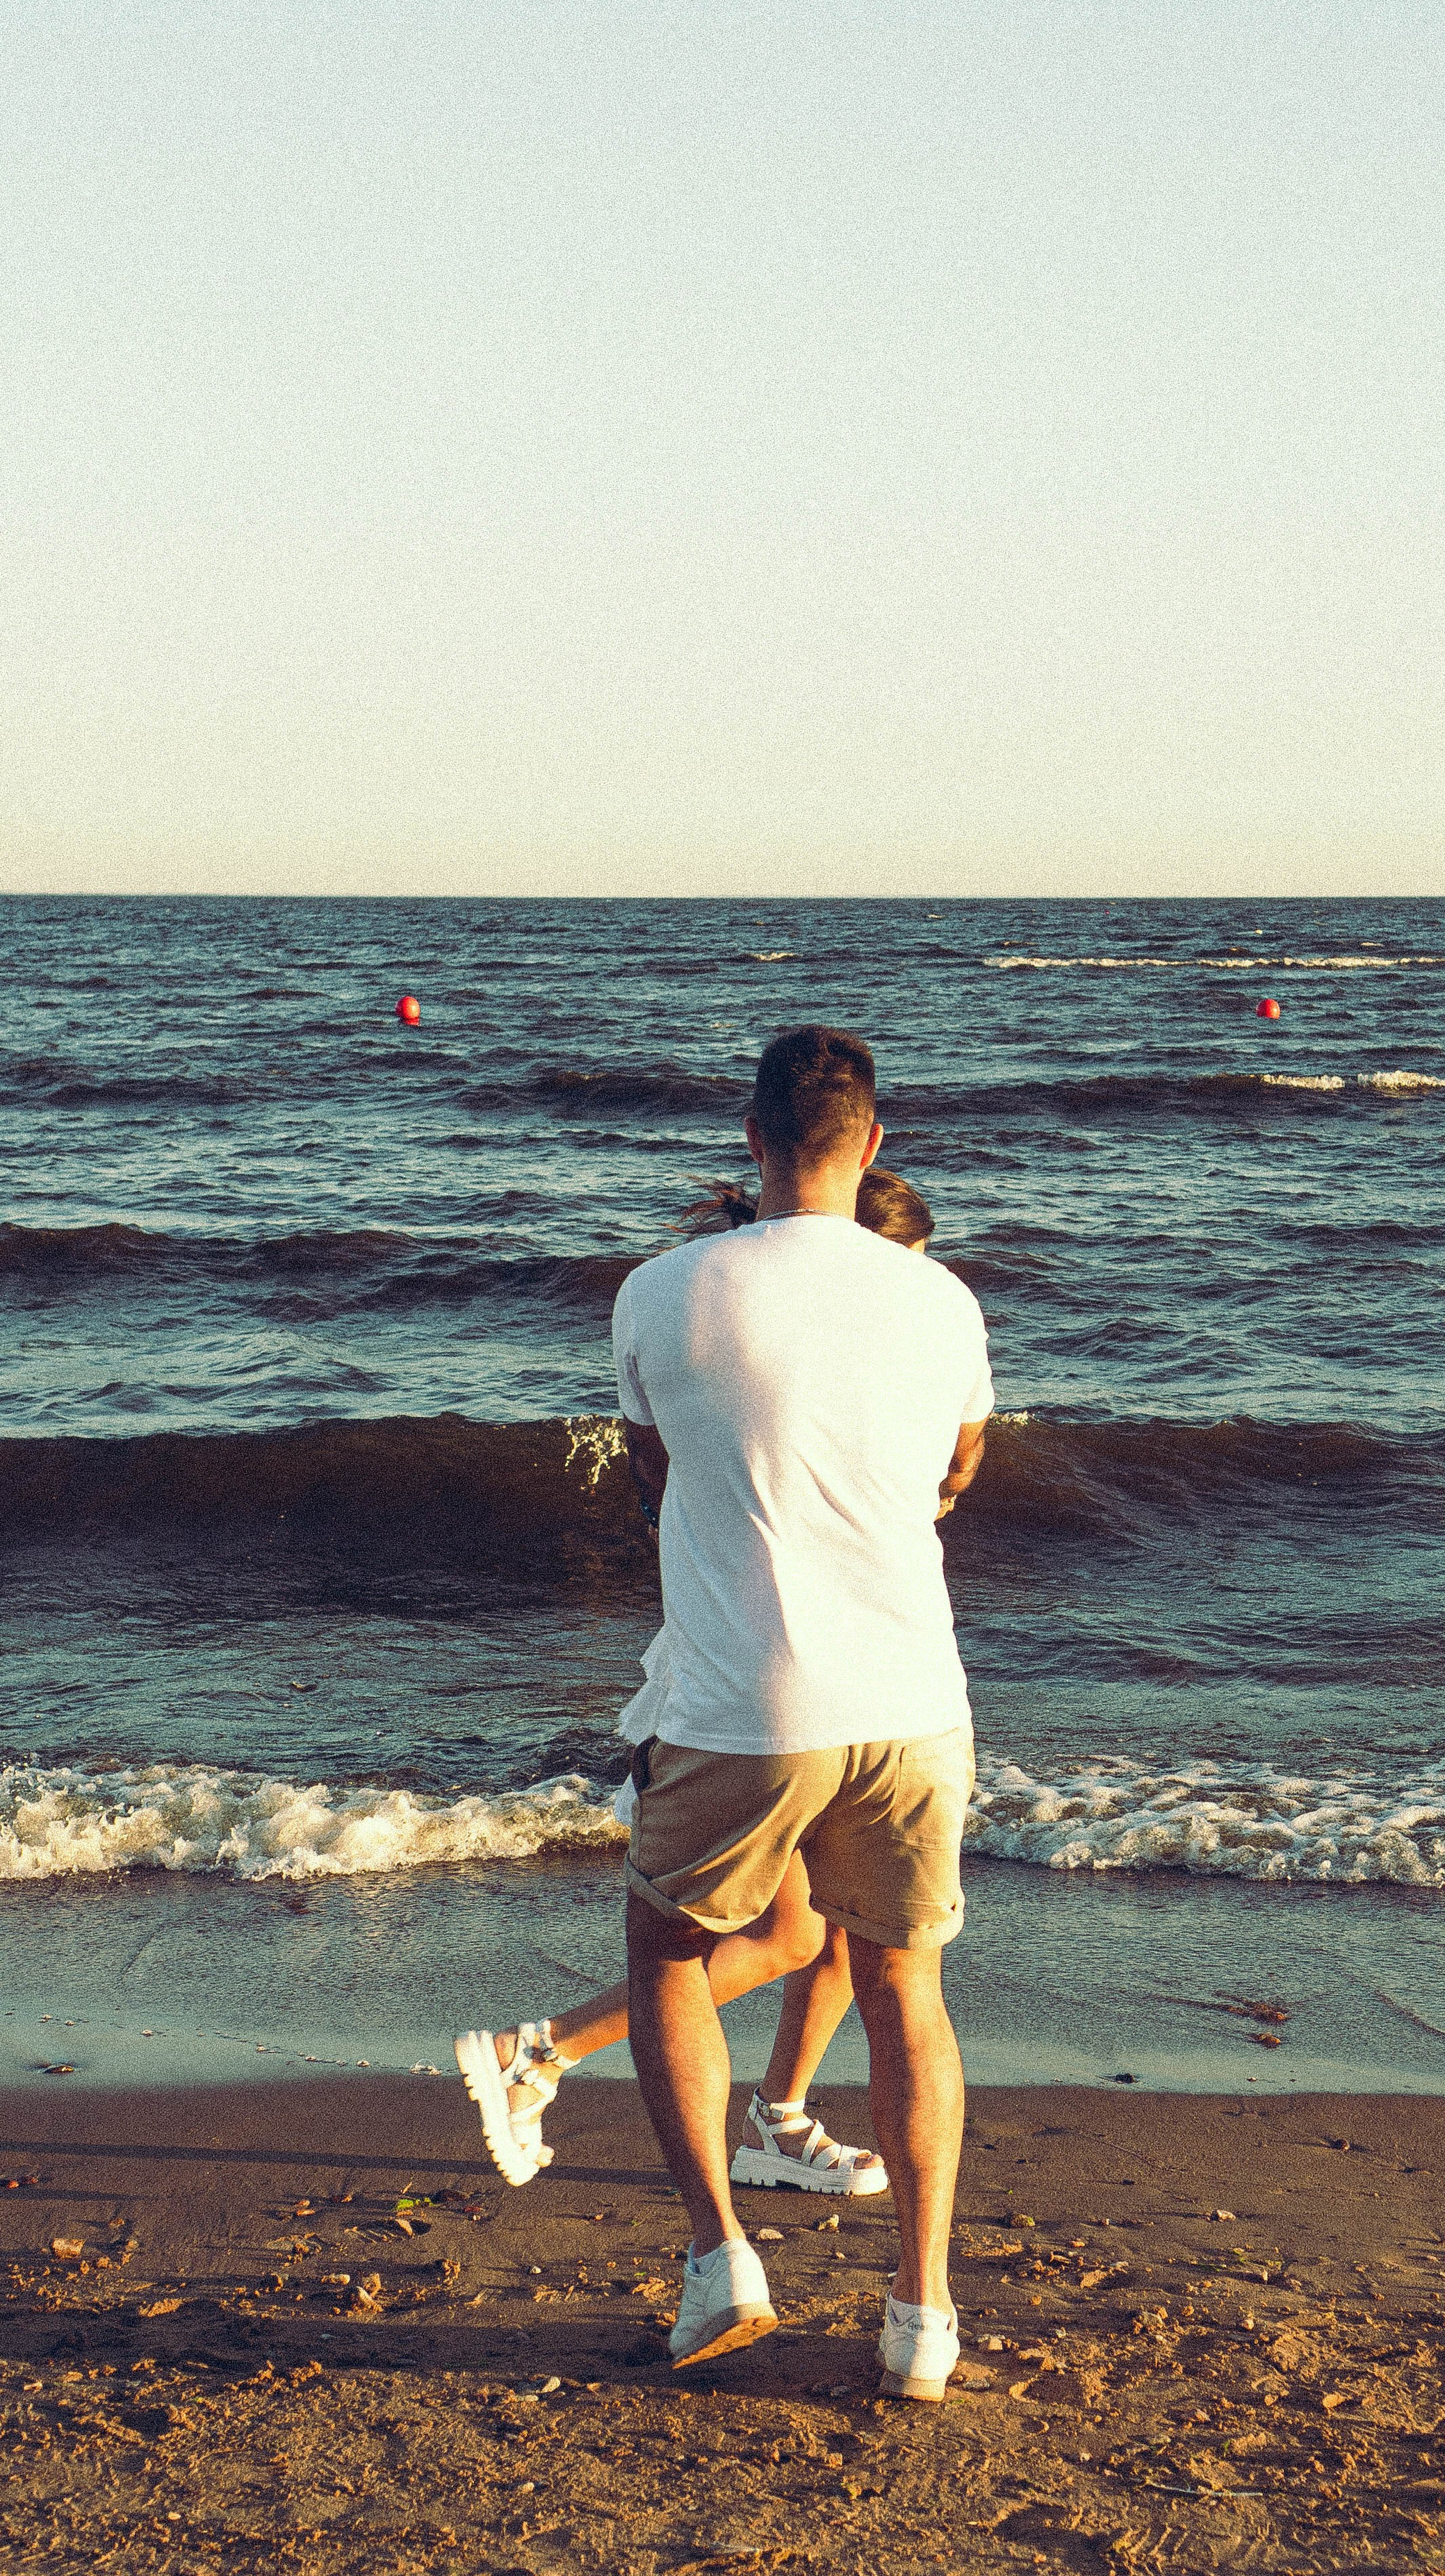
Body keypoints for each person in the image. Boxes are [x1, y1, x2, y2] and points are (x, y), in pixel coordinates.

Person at [468, 1028, 990, 2397]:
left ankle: (721, 2265)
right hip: (912, 1696)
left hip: (741, 1698)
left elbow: (651, 1475)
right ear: (874, 1145)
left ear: (749, 1138)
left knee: (666, 1960)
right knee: (905, 1989)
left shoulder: (658, 1293)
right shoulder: (941, 1302)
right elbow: (957, 1473)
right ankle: (920, 2320)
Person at [455, 1165, 942, 2208]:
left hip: (841, 1680)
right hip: (761, 1682)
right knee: (785, 1934)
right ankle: (540, 2051)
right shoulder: (769, 1364)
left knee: (828, 1931)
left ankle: (773, 2117)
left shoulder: (834, 1364)